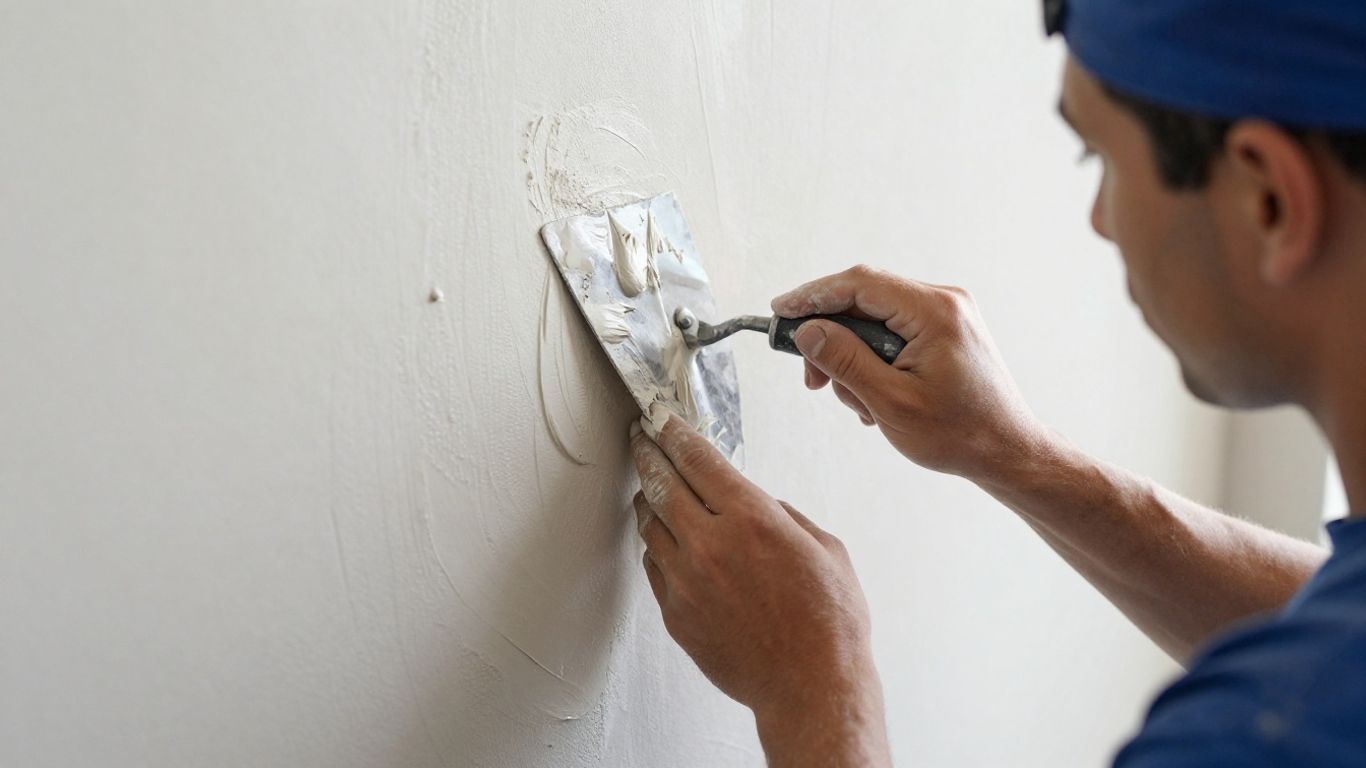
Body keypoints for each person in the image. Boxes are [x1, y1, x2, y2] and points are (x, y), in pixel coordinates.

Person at [628, 1, 1366, 766]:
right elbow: (1328, 613)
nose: (1101, 221)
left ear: (1268, 200)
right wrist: (1013, 452)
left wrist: (813, 687)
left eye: (1102, 161)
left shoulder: (1259, 738)